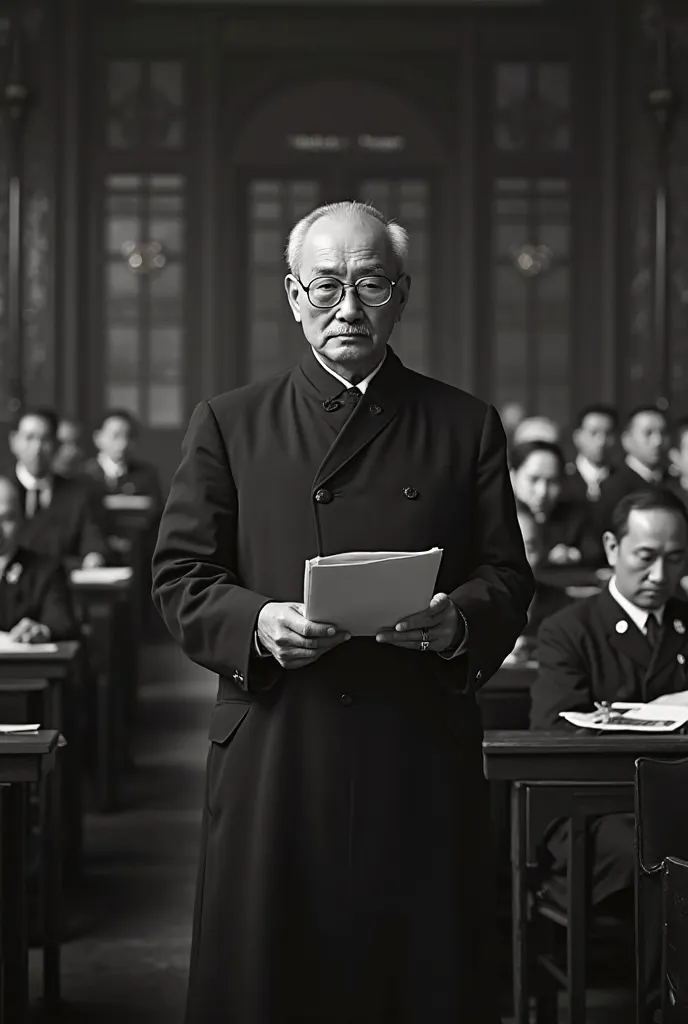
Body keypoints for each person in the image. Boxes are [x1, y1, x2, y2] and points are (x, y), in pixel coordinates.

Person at [152, 200, 534, 1024]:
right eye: (326, 286)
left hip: (414, 740)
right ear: (292, 295)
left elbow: (507, 574)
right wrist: (257, 622)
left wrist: (458, 620)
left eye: (369, 284)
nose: (347, 308)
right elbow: (180, 576)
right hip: (280, 741)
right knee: (275, 982)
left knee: (416, 979)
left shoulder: (464, 424)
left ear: (401, 294)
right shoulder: (229, 422)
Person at [530, 488, 688, 1018]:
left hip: (674, 802)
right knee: (658, 845)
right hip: (591, 813)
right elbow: (555, 733)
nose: (661, 576)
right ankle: (659, 1008)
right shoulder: (568, 631)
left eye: (676, 558)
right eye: (646, 558)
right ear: (612, 547)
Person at [7, 408, 109, 568]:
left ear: (56, 445)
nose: (37, 448)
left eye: (45, 439)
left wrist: (94, 557)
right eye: (29, 438)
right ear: (14, 441)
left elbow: (93, 541)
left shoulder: (78, 493)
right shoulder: (3, 490)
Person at [0, 475, 78, 642]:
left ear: (21, 519)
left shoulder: (47, 570)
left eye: (6, 519)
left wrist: (42, 631)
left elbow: (61, 622)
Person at [510, 440, 601, 566]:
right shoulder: (494, 518)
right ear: (512, 476)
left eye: (552, 481)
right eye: (533, 479)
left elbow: (595, 552)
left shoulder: (575, 518)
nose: (542, 491)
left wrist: (573, 555)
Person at [504, 507, 573, 665]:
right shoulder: (470, 608)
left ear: (542, 551)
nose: (519, 559)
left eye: (529, 549)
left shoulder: (562, 607)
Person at [597, 405, 673, 531]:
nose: (658, 441)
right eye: (648, 433)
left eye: (663, 433)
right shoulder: (613, 486)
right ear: (627, 439)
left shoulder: (672, 482)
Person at [83, 410, 162, 505]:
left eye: (128, 436)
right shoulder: (84, 473)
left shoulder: (146, 475)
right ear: (98, 438)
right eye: (116, 436)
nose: (123, 443)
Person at [561, 403, 617, 504]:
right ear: (577, 437)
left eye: (608, 434)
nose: (602, 441)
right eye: (593, 433)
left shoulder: (623, 480)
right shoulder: (563, 479)